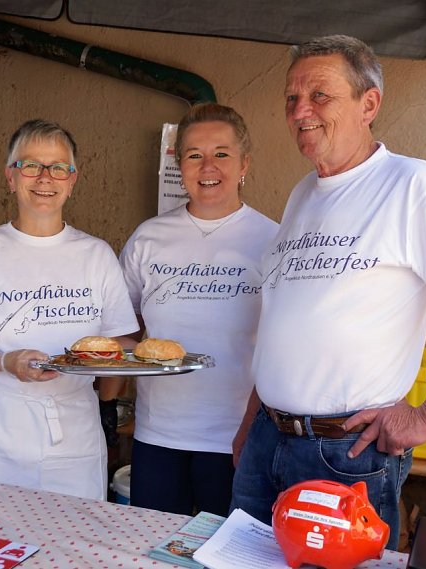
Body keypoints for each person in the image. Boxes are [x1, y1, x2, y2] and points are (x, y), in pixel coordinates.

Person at [230, 35, 426, 549]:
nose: (300, 111)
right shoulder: (303, 194)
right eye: (291, 98)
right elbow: (284, 325)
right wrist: (253, 422)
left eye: (319, 95)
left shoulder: (411, 185)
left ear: (369, 103)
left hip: (344, 454)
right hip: (267, 441)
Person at [0, 119, 138, 500]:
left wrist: (124, 382)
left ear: (73, 180)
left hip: (74, 427)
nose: (45, 178)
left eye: (58, 168)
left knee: (72, 539)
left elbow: (120, 340)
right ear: (10, 177)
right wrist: (6, 362)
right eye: (31, 165)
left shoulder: (96, 254)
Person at [118, 103, 279, 516]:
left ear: (245, 163)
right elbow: (120, 325)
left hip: (236, 438)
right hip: (157, 434)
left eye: (222, 153)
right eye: (194, 155)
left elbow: (284, 342)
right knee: (151, 547)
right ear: (179, 164)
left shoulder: (272, 240)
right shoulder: (148, 238)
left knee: (227, 554)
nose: (208, 166)